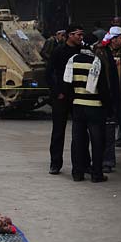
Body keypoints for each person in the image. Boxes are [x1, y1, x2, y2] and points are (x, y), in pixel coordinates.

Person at [64, 43, 110, 182]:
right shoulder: (97, 62)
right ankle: (96, 174)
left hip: (78, 107)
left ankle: (77, 173)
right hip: (95, 107)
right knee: (97, 142)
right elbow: (102, 88)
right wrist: (108, 107)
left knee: (77, 141)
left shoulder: (73, 60)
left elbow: (67, 84)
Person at [47, 24, 84, 175]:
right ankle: (55, 163)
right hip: (61, 96)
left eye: (82, 35)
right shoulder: (58, 51)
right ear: (70, 35)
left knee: (81, 131)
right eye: (78, 35)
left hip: (79, 94)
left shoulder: (83, 51)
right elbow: (49, 73)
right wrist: (57, 92)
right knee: (58, 131)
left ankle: (82, 164)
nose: (80, 38)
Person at [97, 26, 121, 171]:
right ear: (113, 39)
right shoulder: (101, 53)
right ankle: (107, 162)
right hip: (108, 98)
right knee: (108, 131)